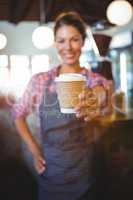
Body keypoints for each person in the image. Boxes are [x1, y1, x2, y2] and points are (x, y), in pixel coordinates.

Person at [12, 11, 112, 200]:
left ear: (83, 42)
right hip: (51, 174)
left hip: (86, 175)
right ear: (54, 43)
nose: (68, 47)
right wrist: (34, 151)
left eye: (74, 39)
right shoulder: (40, 81)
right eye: (61, 40)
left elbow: (101, 100)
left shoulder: (96, 81)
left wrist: (96, 104)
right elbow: (17, 113)